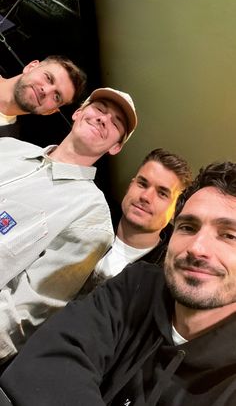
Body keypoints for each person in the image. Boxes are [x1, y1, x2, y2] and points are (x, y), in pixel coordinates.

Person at [1, 161, 236, 405]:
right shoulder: (136, 285)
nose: (197, 248)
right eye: (188, 227)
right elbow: (46, 361)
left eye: (229, 235)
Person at [0, 86, 137, 368]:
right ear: (78, 112)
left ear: (115, 147)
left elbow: (25, 312)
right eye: (99, 109)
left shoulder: (92, 218)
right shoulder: (8, 148)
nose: (103, 119)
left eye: (116, 123)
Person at [81, 148, 192, 293]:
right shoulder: (86, 215)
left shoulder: (166, 279)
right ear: (130, 186)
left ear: (175, 211)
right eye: (142, 184)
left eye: (162, 193)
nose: (146, 196)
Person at [0, 55, 87, 136]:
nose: (46, 90)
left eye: (56, 97)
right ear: (31, 67)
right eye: (48, 78)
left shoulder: (8, 145)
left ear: (50, 111)